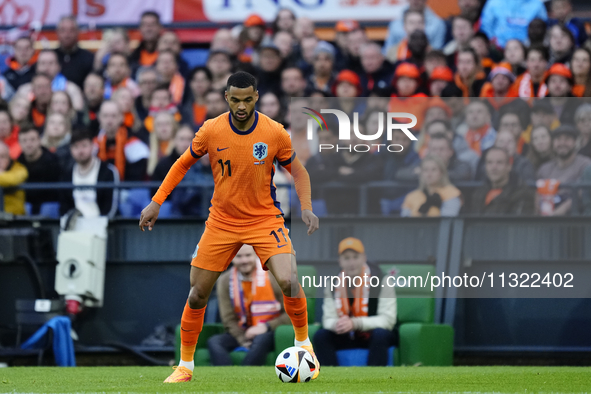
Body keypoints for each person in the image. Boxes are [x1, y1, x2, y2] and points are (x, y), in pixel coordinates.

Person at [138, 71, 320, 383]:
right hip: (222, 222)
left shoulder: (274, 132)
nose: (241, 105)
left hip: (264, 219)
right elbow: (182, 163)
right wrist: (157, 201)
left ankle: (303, 344)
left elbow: (299, 172)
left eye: (247, 99)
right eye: (235, 99)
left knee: (289, 279)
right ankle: (184, 367)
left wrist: (306, 207)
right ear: (226, 98)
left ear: (256, 97)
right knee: (197, 294)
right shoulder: (211, 130)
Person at [314, 237, 396, 366]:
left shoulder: (383, 280)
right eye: (346, 258)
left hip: (372, 335)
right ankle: (331, 380)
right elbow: (328, 319)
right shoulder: (332, 283)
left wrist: (355, 323)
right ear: (340, 261)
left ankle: (373, 381)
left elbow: (388, 320)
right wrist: (339, 324)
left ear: (364, 258)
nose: (351, 262)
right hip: (347, 335)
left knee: (380, 335)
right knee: (321, 336)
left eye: (355, 257)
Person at [208, 244, 290, 366]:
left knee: (260, 339)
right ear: (231, 258)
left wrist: (266, 327)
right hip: (241, 332)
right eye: (239, 256)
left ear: (256, 255)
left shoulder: (273, 275)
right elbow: (228, 318)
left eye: (248, 255)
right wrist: (242, 339)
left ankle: (244, 377)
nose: (244, 261)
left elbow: (292, 312)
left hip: (271, 331)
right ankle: (227, 378)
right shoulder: (224, 280)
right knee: (214, 342)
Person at [60, 128, 118, 218]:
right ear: (71, 150)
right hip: (73, 226)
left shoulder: (108, 171)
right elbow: (64, 207)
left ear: (93, 146)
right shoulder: (67, 174)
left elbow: (111, 207)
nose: (80, 151)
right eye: (76, 147)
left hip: (101, 225)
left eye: (84, 146)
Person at [537, 125, 591, 215]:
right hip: (547, 216)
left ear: (575, 142)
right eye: (558, 139)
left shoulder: (585, 164)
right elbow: (538, 194)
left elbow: (582, 192)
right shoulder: (544, 168)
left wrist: (561, 211)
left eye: (567, 139)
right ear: (553, 143)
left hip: (575, 218)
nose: (562, 143)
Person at [469, 147, 534, 215]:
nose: (494, 167)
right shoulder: (479, 192)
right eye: (489, 162)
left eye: (499, 162)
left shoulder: (522, 193)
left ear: (509, 166)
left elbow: (517, 224)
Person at [96, 101, 149, 181]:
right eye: (105, 116)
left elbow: (137, 177)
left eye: (113, 116)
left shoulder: (134, 143)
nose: (109, 120)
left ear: (121, 117)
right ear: (99, 117)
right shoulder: (93, 143)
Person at [18, 50, 84, 111]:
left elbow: (77, 115)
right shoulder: (25, 90)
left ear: (58, 66)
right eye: (43, 63)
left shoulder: (71, 89)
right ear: (37, 67)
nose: (46, 67)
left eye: (51, 63)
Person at [17, 123, 60, 213]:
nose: (28, 144)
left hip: (48, 204)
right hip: (26, 204)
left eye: (32, 140)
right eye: (24, 140)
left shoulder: (53, 161)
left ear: (39, 140)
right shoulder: (18, 163)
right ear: (19, 143)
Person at [480, 0, 547, 48]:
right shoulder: (494, 2)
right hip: (498, 49)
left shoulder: (537, 4)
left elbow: (543, 28)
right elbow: (485, 27)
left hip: (528, 49)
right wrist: (495, 42)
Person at [54, 16, 94, 88]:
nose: (67, 35)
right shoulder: (50, 57)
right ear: (57, 32)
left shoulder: (88, 58)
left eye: (71, 30)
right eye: (63, 30)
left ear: (77, 32)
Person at [0, 141, 27, 215]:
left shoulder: (19, 168)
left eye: (2, 156)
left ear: (9, 157)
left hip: (15, 218)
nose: (0, 160)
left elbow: (13, 179)